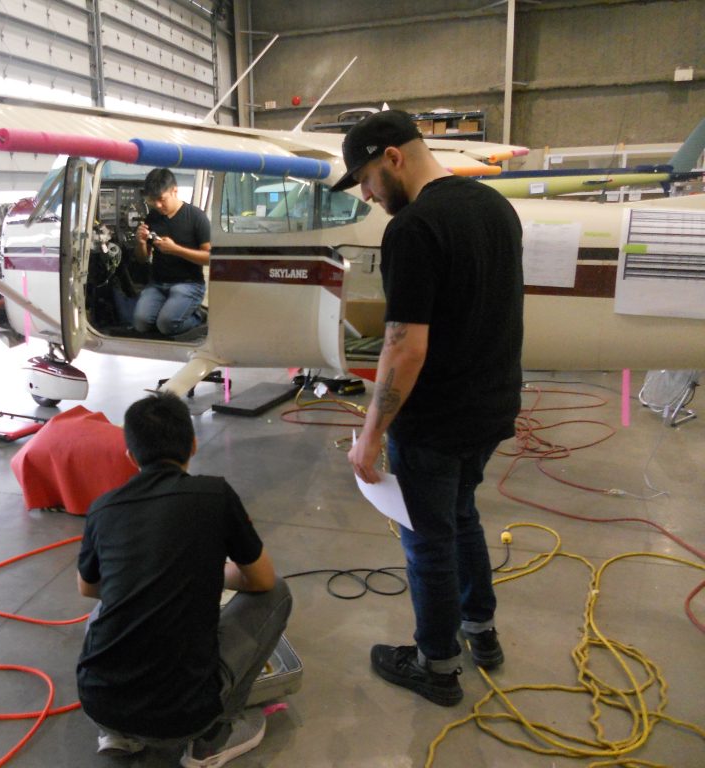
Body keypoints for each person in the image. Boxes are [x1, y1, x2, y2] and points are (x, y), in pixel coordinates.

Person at [333, 110, 524, 706]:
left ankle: (437, 666)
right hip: (490, 409)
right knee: (461, 516)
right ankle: (480, 632)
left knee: (426, 540)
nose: (365, 193)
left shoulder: (414, 228)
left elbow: (404, 346)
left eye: (365, 178)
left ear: (393, 157)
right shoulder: (495, 207)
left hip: (437, 420)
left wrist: (369, 435)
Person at [76, 391, 292, 766]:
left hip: (99, 701)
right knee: (280, 593)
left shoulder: (103, 507)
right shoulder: (214, 494)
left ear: (130, 456)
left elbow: (88, 588)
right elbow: (262, 581)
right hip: (183, 713)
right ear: (192, 445)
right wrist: (216, 573)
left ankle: (118, 733)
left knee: (103, 612)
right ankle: (211, 738)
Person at [133, 168, 211, 335]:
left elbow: (209, 258)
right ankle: (169, 315)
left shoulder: (197, 217)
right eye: (153, 201)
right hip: (158, 284)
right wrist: (140, 243)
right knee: (141, 323)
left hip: (189, 284)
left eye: (162, 199)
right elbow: (142, 259)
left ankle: (198, 317)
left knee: (166, 325)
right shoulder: (153, 217)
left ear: (175, 191)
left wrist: (176, 250)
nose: (158, 206)